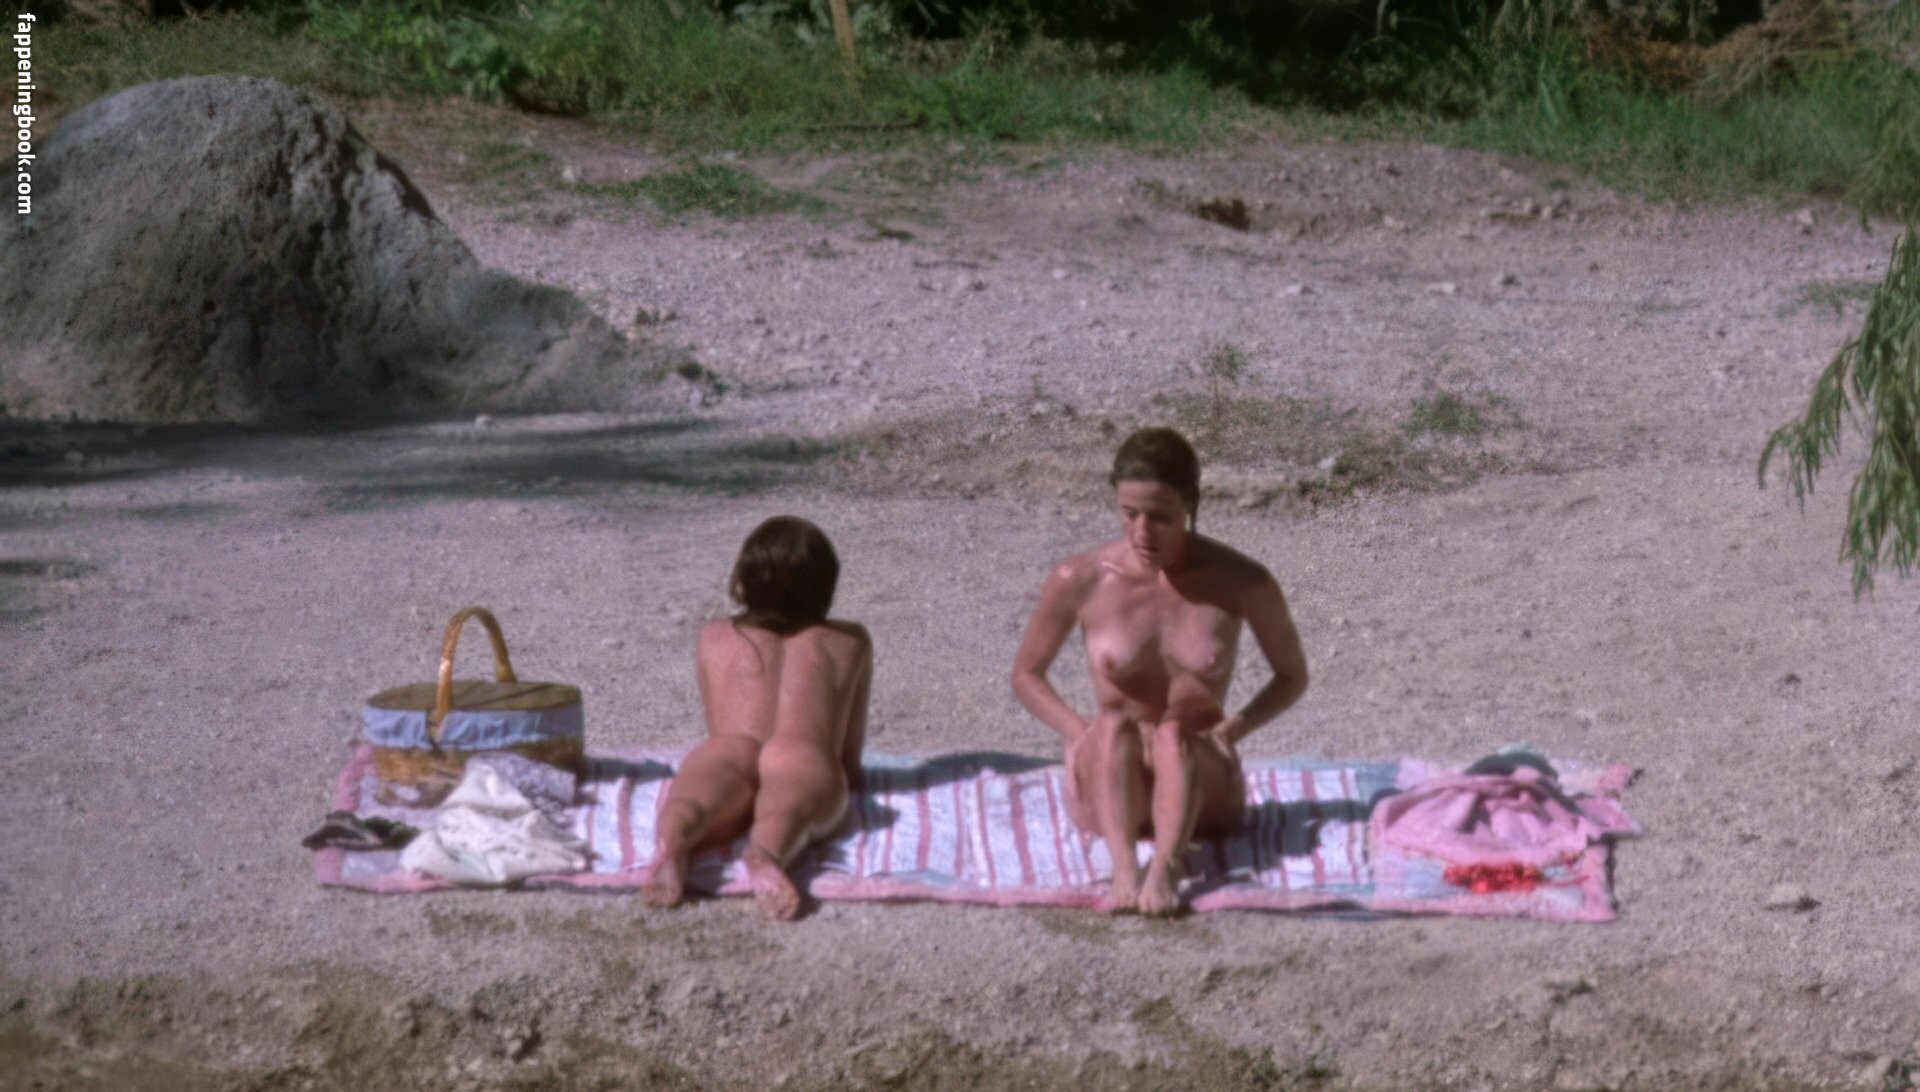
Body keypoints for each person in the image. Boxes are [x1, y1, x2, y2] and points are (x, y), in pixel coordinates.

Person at [1011, 427, 1308, 915]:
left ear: (1190, 504)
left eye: (1160, 517)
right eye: (1130, 514)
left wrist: (1231, 731)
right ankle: (1124, 865)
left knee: (1173, 735)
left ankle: (1167, 866)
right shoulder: (1082, 579)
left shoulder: (1240, 581)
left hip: (1201, 784)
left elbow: (1292, 675)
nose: (1142, 533)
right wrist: (1076, 732)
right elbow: (1026, 674)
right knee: (1112, 727)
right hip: (1113, 781)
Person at [642, 516, 871, 920]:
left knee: (693, 796)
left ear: (743, 580)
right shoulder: (849, 640)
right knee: (791, 806)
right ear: (826, 585)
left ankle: (674, 843)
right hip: (800, 753)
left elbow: (718, 721)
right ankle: (767, 853)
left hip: (732, 749)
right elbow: (849, 759)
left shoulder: (714, 635)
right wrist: (840, 777)